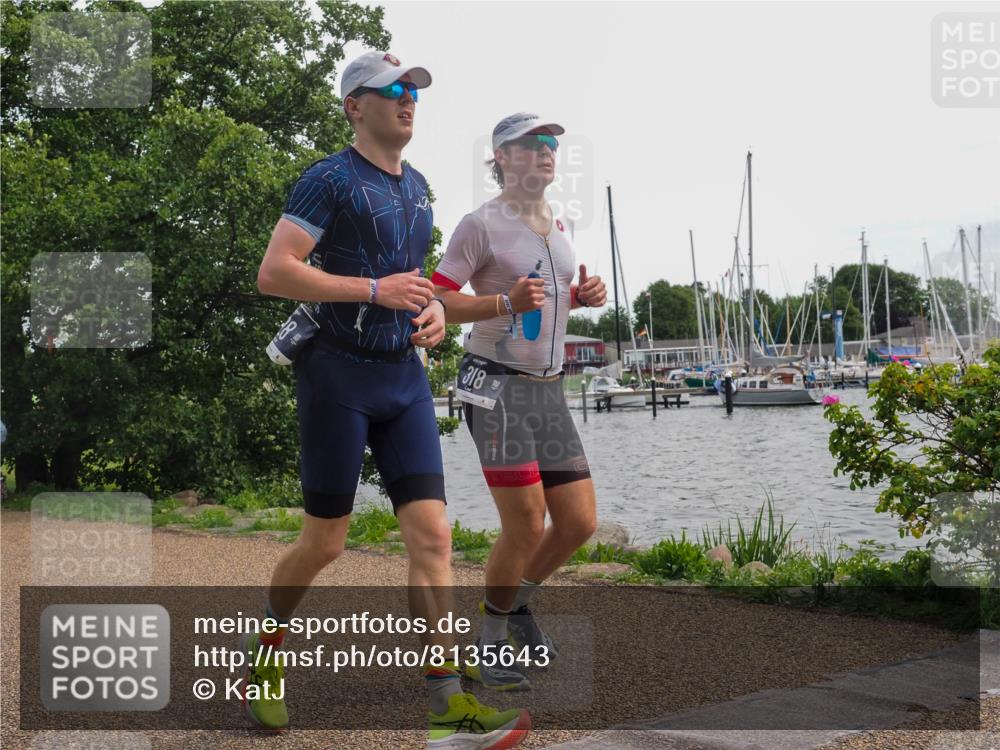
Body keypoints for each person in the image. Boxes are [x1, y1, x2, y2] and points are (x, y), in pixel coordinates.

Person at [255, 52, 529, 748]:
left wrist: (435, 315)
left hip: (401, 376)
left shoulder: (421, 189)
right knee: (326, 543)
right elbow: (275, 272)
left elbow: (418, 285)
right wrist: (371, 291)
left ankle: (447, 706)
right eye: (393, 92)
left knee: (434, 536)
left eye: (414, 92)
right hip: (336, 377)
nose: (410, 101)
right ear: (354, 105)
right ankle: (265, 649)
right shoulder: (328, 179)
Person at [431, 113, 608, 690]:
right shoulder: (479, 225)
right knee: (527, 522)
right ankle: (489, 645)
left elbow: (547, 301)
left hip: (548, 388)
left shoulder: (557, 226)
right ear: (502, 158)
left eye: (551, 143)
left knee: (578, 523)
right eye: (531, 144)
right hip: (495, 385)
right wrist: (505, 303)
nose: (546, 151)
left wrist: (580, 298)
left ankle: (517, 608)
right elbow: (438, 302)